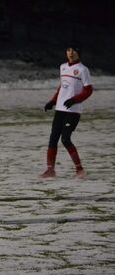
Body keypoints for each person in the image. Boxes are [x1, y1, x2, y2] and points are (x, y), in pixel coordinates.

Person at [41, 43, 93, 178]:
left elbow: (88, 90)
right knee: (53, 139)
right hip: (60, 110)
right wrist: (53, 101)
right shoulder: (63, 67)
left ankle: (79, 170)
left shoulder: (83, 70)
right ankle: (50, 170)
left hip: (73, 111)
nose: (71, 53)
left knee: (65, 139)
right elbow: (62, 88)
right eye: (69, 50)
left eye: (74, 50)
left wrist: (75, 100)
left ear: (79, 53)